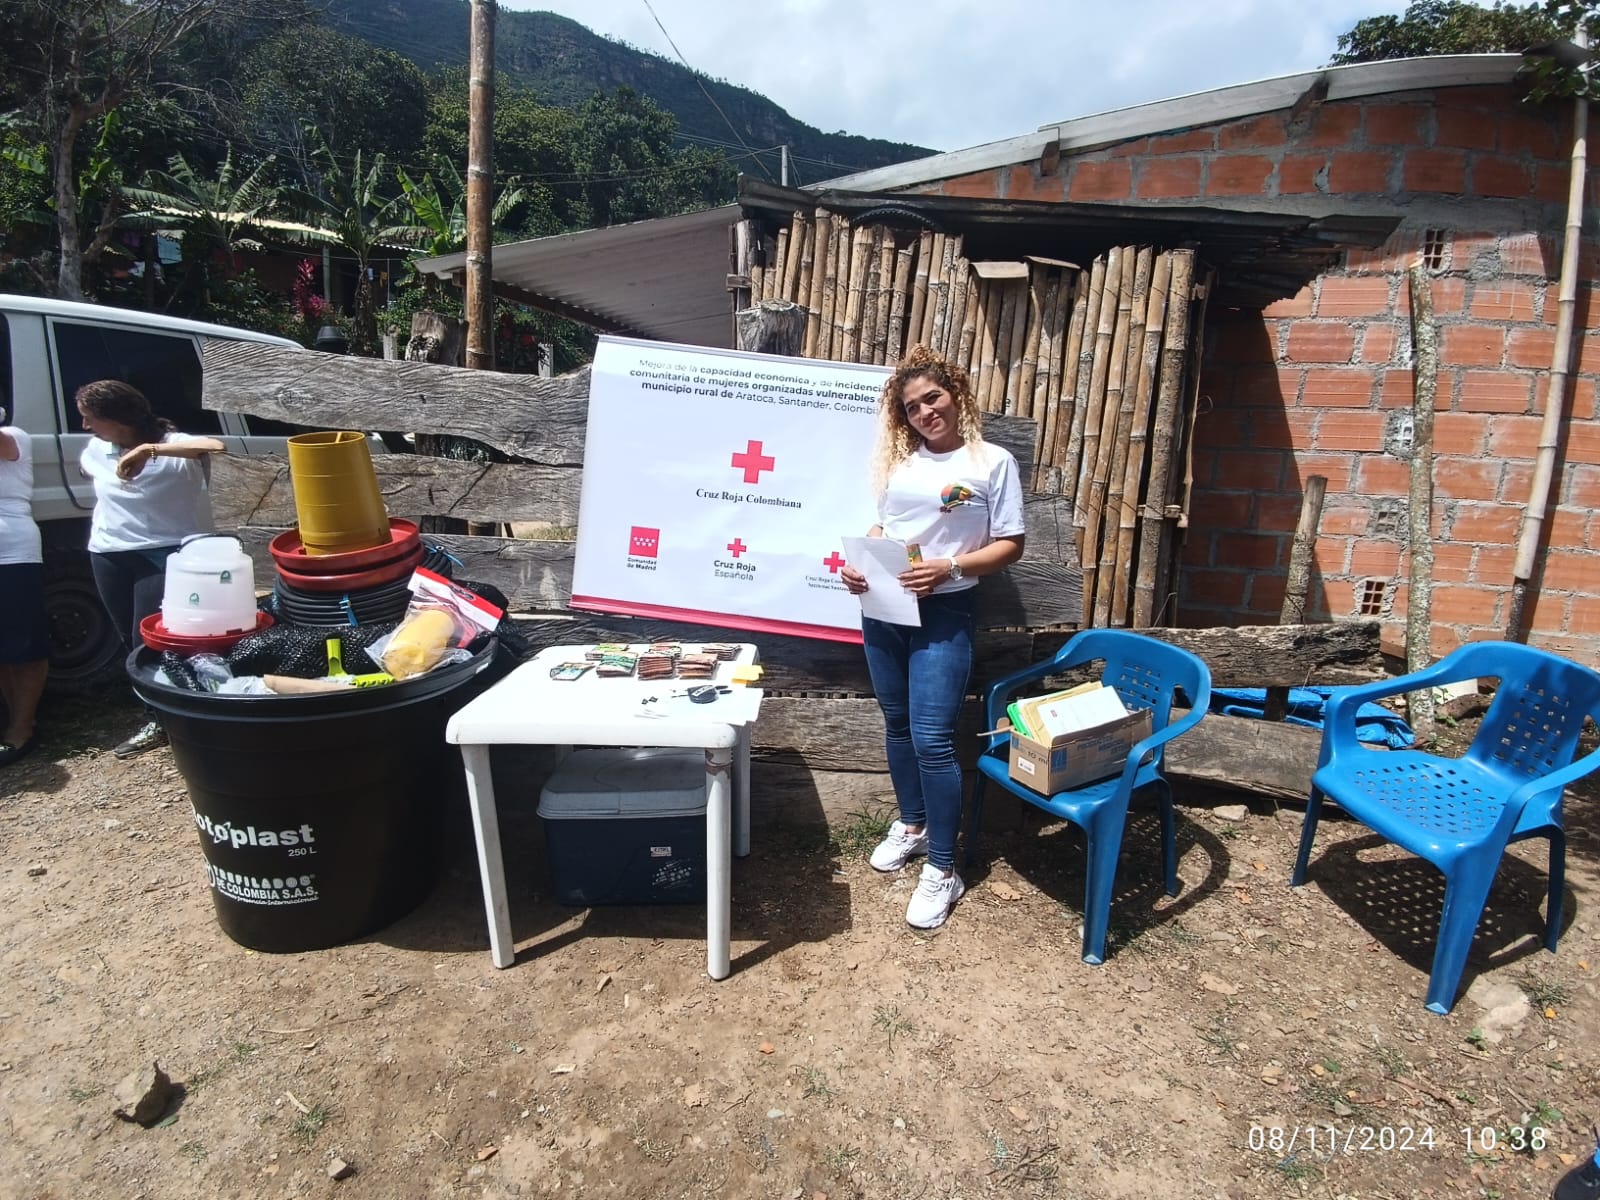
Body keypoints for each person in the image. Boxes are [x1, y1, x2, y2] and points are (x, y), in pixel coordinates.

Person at [839, 345, 1025, 929]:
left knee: (933, 740)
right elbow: (885, 526)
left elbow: (1011, 544)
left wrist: (950, 568)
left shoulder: (991, 462)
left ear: (957, 395)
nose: (925, 412)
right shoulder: (901, 465)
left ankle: (944, 866)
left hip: (945, 614)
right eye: (912, 406)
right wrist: (861, 562)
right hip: (883, 610)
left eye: (933, 398)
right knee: (897, 726)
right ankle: (914, 826)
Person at [76, 380, 227, 759]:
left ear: (118, 418)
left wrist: (148, 450)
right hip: (110, 552)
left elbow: (216, 447)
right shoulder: (97, 449)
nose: (85, 427)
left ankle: (184, 715)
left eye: (90, 418)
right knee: (131, 643)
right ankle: (156, 718)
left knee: (154, 640)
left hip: (168, 553)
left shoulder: (176, 444)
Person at [0, 417, 48, 765]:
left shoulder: (14, 436)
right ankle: (12, 719)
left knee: (24, 644)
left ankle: (22, 728)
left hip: (12, 554)